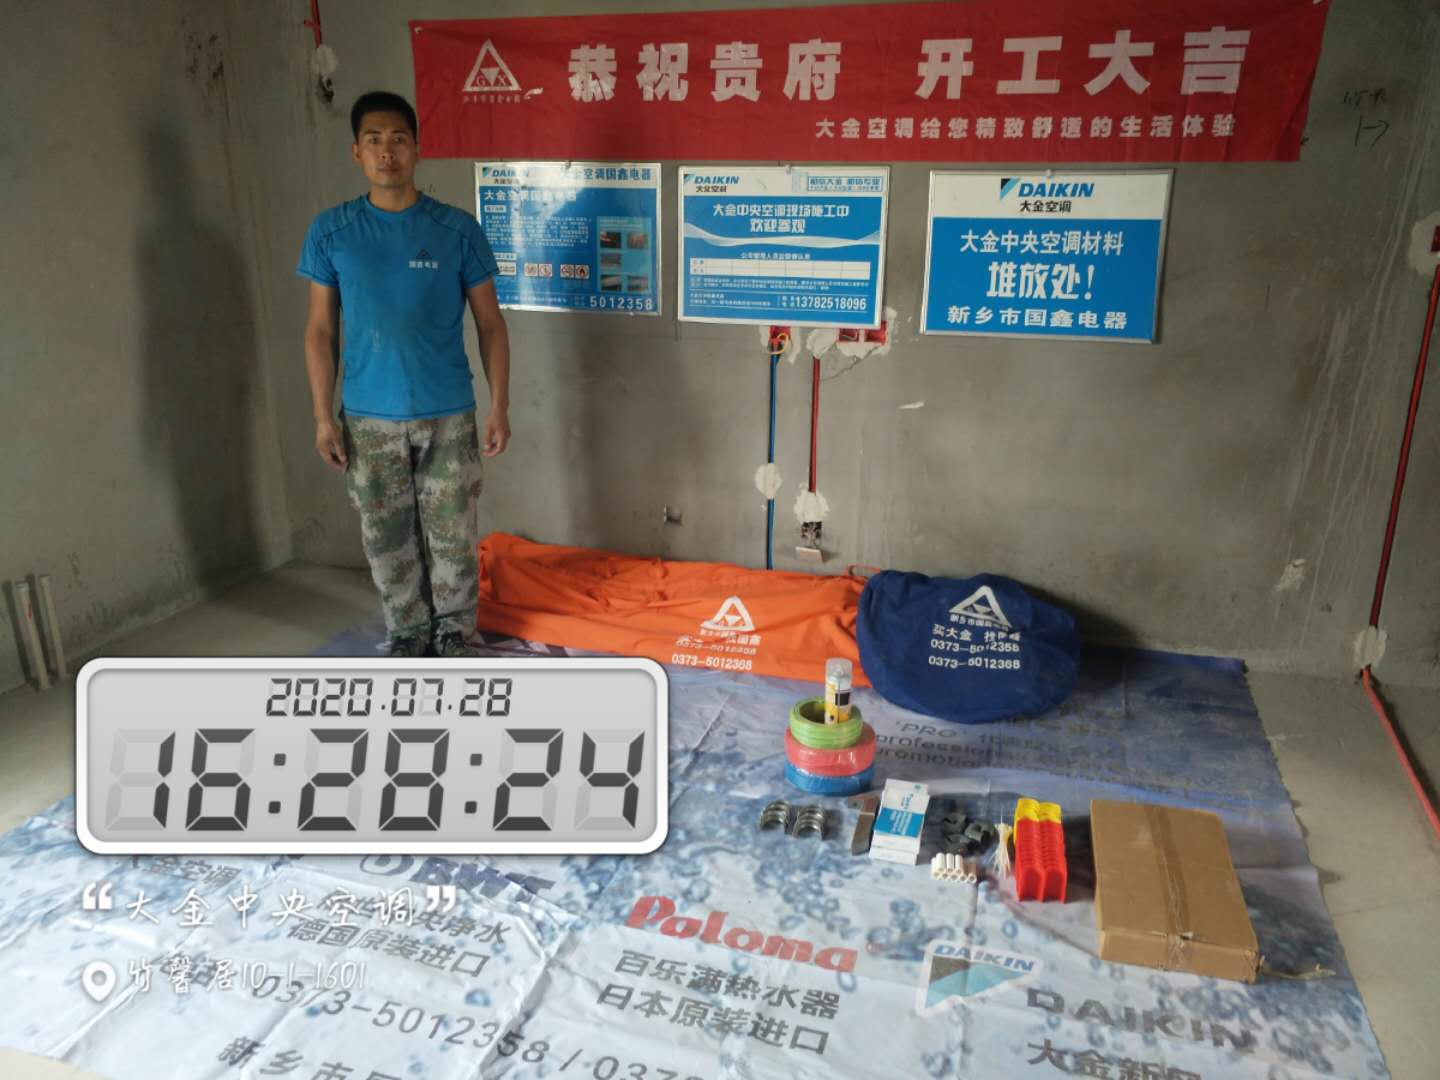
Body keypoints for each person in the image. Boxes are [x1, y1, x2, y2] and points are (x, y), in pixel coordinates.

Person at [297, 91, 511, 657]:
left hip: (448, 414)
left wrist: (499, 406)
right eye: (374, 141)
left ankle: (454, 633)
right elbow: (320, 330)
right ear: (356, 152)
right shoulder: (332, 232)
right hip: (368, 419)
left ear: (417, 148)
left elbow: (491, 324)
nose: (386, 152)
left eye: (398, 140)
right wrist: (323, 417)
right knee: (387, 539)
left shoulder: (456, 230)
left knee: (453, 534)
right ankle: (409, 633)